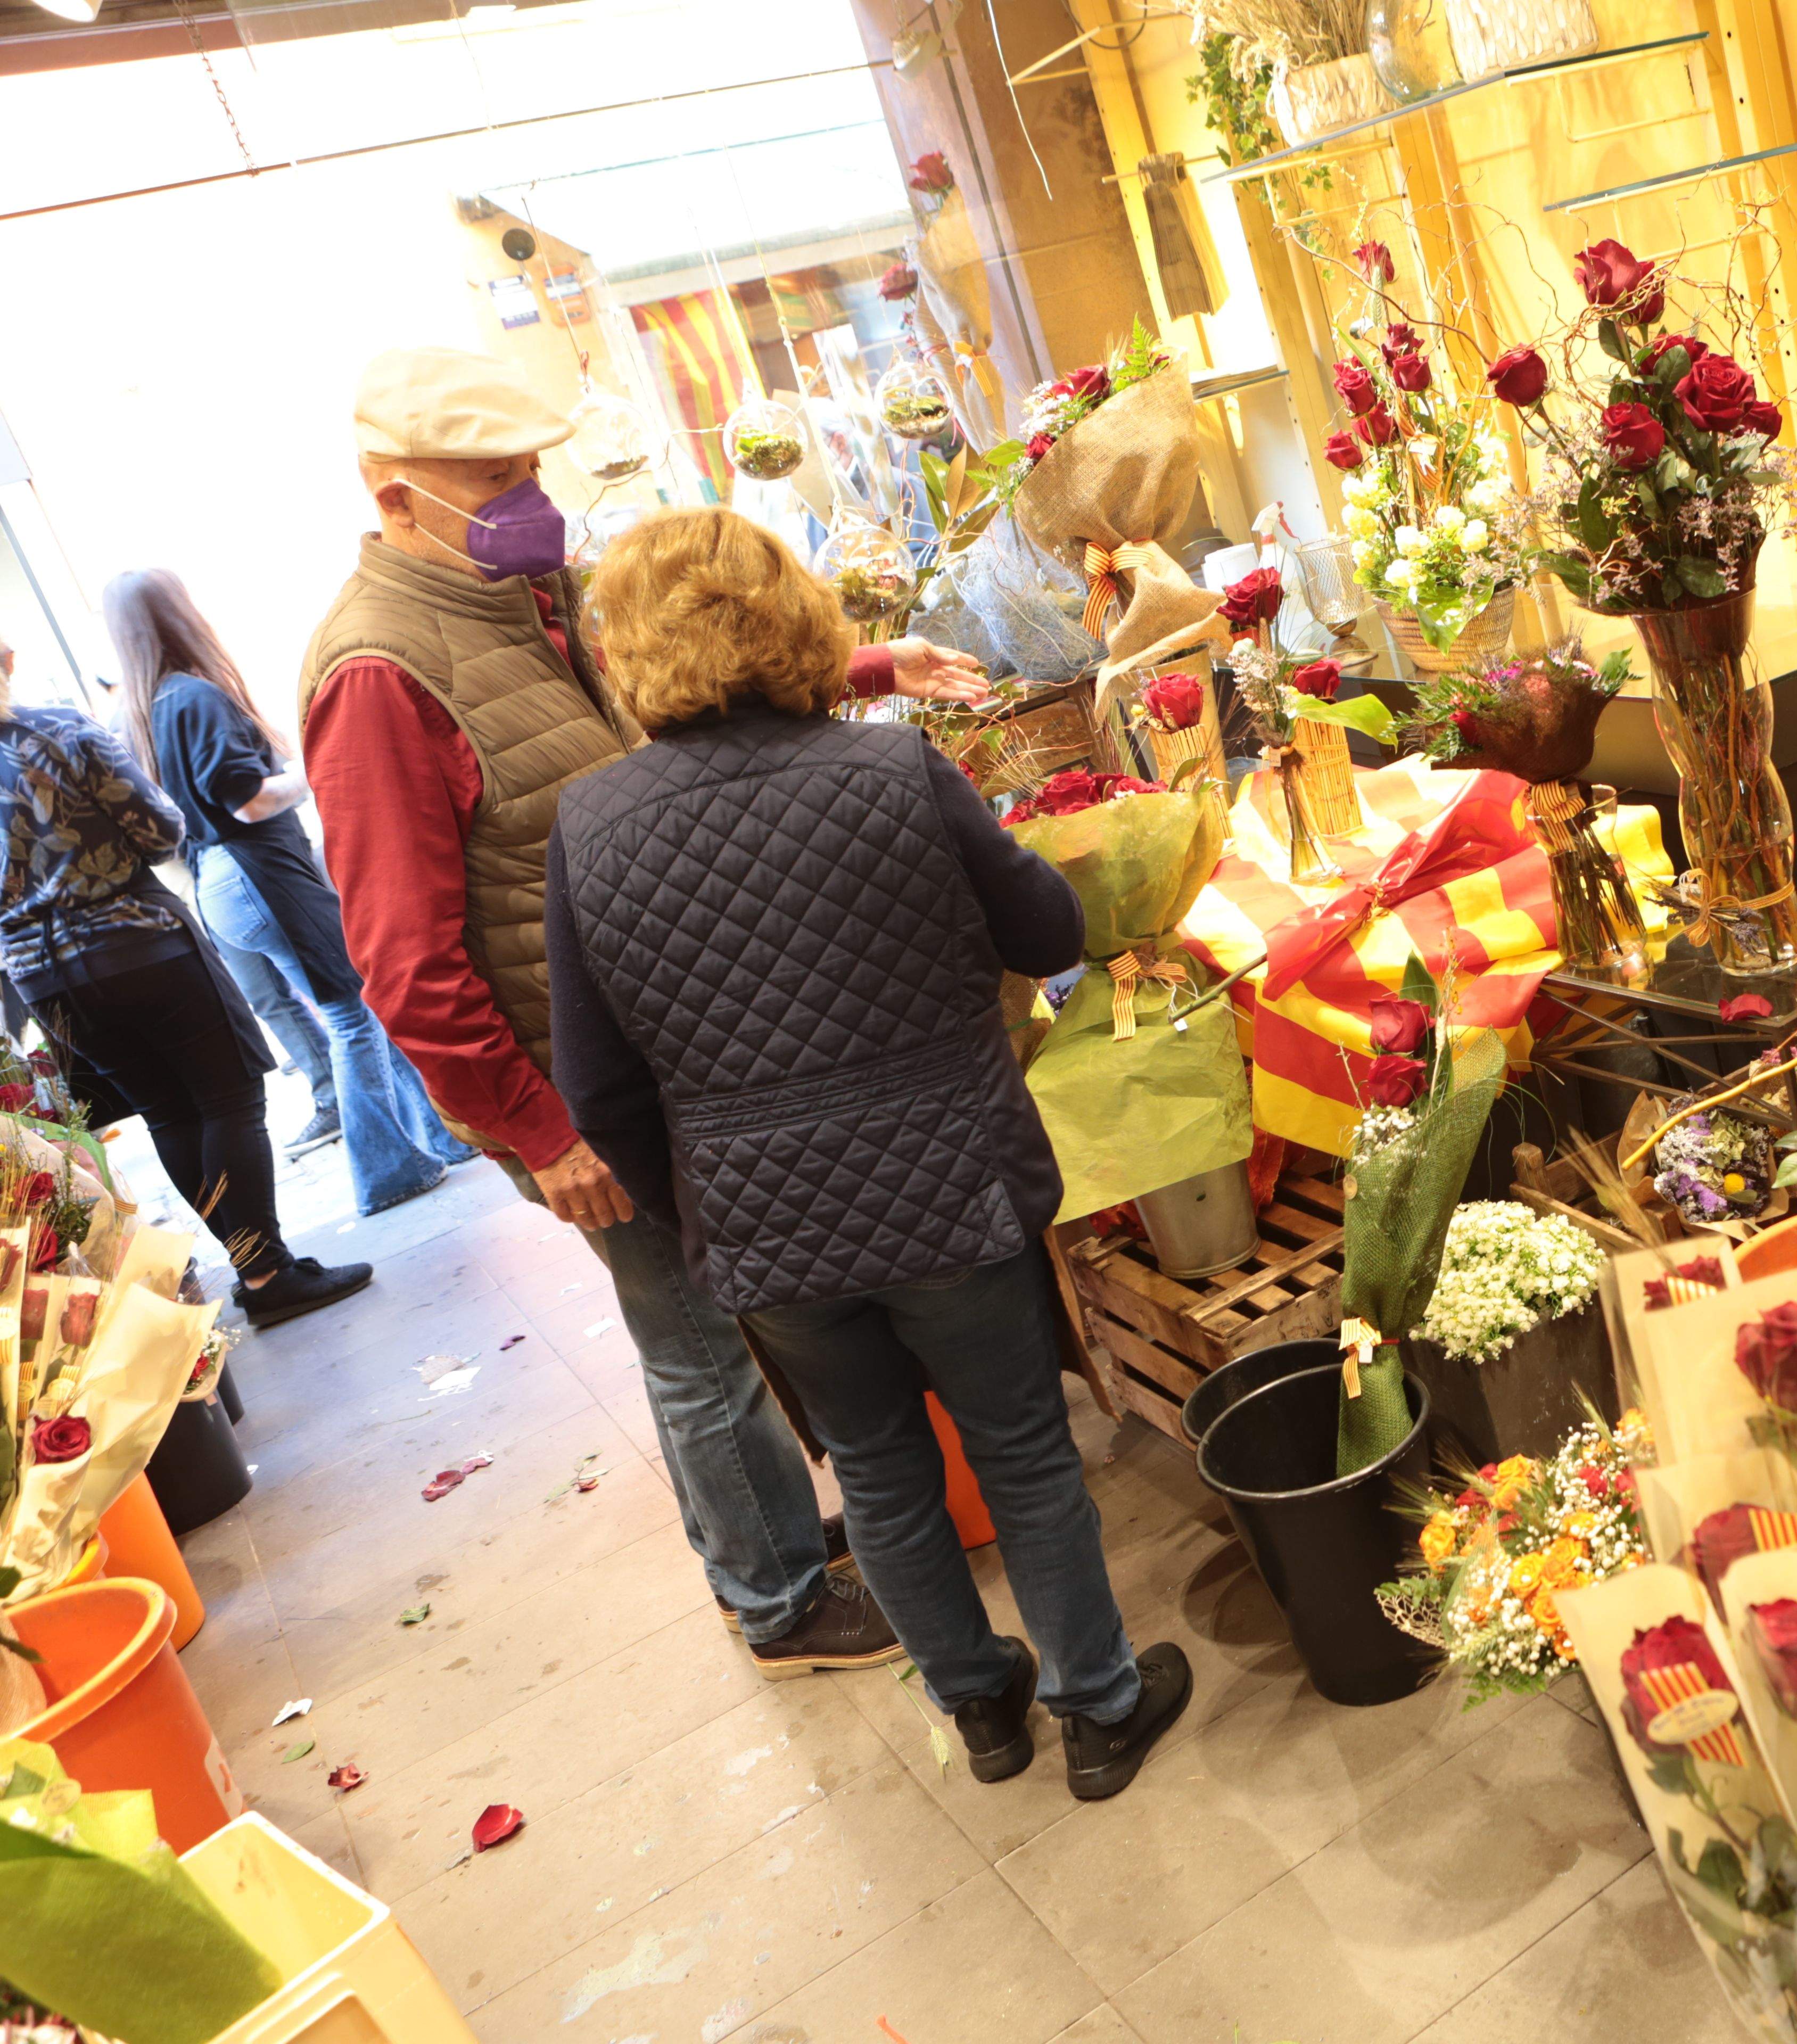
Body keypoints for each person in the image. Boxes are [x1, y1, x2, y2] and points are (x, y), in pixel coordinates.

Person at [299, 347, 984, 1676]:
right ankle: (777, 1598)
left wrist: (860, 670)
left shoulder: (529, 598)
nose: (527, 499)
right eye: (490, 479)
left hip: (657, 1032)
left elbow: (673, 726)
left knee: (724, 1310)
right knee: (690, 1335)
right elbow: (401, 961)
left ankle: (775, 1536)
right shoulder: (379, 673)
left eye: (531, 470)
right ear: (394, 502)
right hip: (570, 1084)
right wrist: (539, 1128)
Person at [543, 507, 1190, 1799]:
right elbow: (1044, 929)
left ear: (627, 648)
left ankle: (983, 1711)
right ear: (799, 621)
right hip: (949, 1178)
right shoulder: (893, 772)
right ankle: (1098, 1707)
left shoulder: (589, 824)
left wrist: (702, 1208)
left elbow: (597, 1084)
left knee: (882, 1471)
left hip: (765, 1226)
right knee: (1019, 1450)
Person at [0, 632, 370, 1324]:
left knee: (169, 1112)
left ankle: (256, 1267)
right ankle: (268, 1276)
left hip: (44, 980)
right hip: (139, 944)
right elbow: (161, 829)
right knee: (229, 1099)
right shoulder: (63, 729)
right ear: (9, 659)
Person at [104, 568, 473, 1214]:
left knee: (358, 1003)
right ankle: (389, 1170)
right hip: (258, 873)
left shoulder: (148, 710)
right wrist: (313, 775)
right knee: (353, 1012)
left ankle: (439, 1137)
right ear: (178, 615)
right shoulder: (195, 696)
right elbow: (246, 800)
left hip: (226, 883)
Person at [209, 929, 344, 1156]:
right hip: (217, 904)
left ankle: (339, 1097)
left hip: (258, 899)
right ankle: (334, 1097)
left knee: (334, 988)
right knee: (269, 1000)